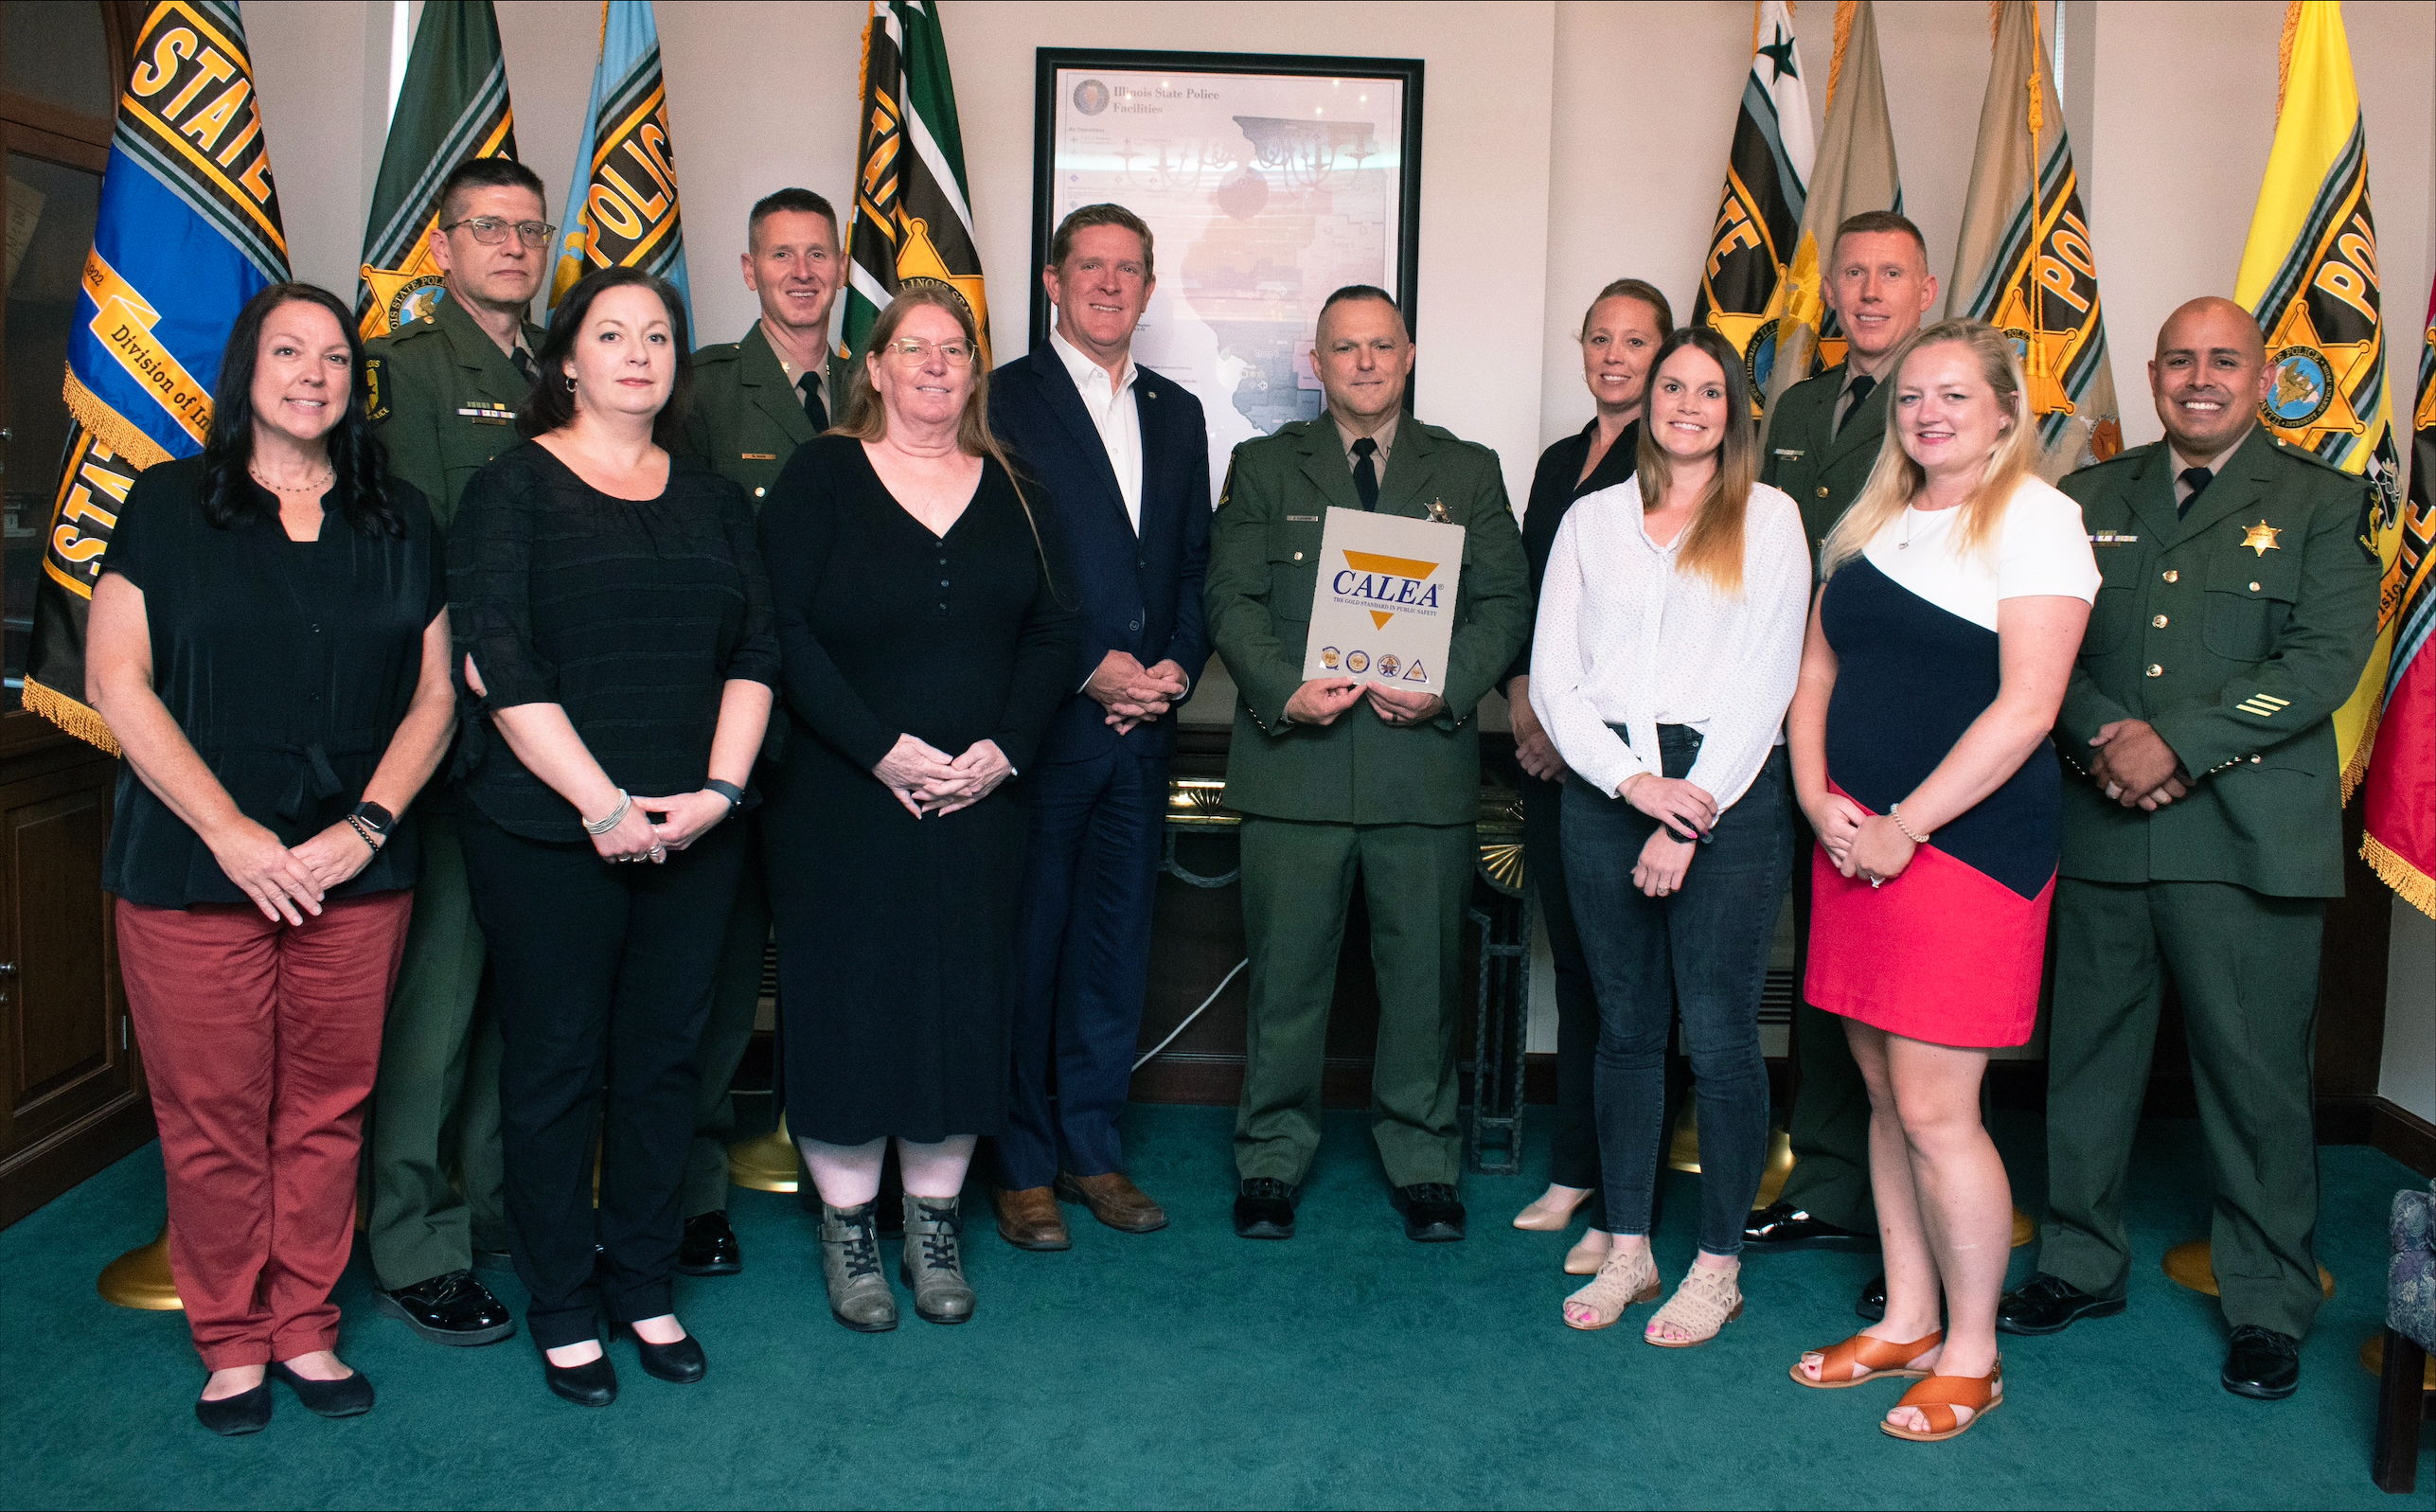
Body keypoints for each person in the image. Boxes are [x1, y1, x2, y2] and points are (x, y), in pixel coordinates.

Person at [86, 282, 456, 1432]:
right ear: (246, 369)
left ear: (356, 382)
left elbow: (436, 697)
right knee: (212, 1112)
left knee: (326, 1108)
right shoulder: (163, 505)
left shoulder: (399, 518)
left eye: (335, 358)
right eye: (288, 352)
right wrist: (233, 834)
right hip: (196, 867)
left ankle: (303, 1323)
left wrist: (366, 827)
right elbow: (116, 683)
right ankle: (232, 1337)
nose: (313, 373)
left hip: (355, 868)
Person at [2000, 297, 2381, 1402]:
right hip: (2106, 827)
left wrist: (2174, 740)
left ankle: (2266, 1301)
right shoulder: (2083, 497)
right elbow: (2038, 646)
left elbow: (2323, 661)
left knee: (2256, 1083)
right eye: (2178, 360)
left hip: (2246, 840)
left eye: (2223, 360)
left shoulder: (2324, 500)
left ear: (2261, 377)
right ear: (2154, 375)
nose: (2198, 377)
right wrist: (2100, 740)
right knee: (2084, 1065)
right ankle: (2076, 1261)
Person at [450, 267, 776, 1407]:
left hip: (696, 830)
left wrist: (719, 795)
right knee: (554, 1070)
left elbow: (757, 654)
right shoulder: (511, 490)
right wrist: (600, 806)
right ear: (568, 360)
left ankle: (642, 1285)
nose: (637, 351)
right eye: (611, 333)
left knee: (663, 1069)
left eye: (657, 335)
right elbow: (496, 658)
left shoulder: (716, 500)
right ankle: (562, 1306)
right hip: (548, 833)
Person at [1787, 320, 2097, 1442]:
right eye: (1911, 396)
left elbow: (2027, 707)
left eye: (1953, 396)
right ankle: (1908, 1317)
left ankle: (1973, 1350)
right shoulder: (1871, 521)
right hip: (1851, 846)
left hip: (1959, 853)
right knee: (1880, 1092)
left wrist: (1906, 826)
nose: (1925, 413)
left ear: (2004, 411)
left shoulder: (2036, 518)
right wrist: (1818, 796)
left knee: (1935, 1107)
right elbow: (1816, 670)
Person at [758, 288, 1079, 1331]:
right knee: (849, 999)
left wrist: (1004, 750)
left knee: (959, 1000)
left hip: (979, 804)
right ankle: (850, 1227)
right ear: (877, 366)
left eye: (955, 349)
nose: (936, 365)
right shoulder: (821, 477)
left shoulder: (1017, 488)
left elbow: (1051, 634)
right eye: (915, 348)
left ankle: (931, 1223)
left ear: (973, 371)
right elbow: (781, 629)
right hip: (844, 803)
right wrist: (878, 749)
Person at [1206, 285, 1531, 1243]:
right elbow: (1229, 600)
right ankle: (1268, 1160)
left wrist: (1450, 686)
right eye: (1343, 348)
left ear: (1409, 353)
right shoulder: (1263, 466)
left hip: (1415, 770)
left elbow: (1504, 601)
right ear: (1315, 364)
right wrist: (1281, 689)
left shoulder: (1464, 471)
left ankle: (1422, 1161)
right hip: (1293, 768)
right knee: (1286, 985)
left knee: (1423, 987)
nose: (1363, 362)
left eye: (1379, 346)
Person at [1530, 328, 1808, 1344]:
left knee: (1724, 1035)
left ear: (1734, 409)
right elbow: (1555, 677)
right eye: (1669, 386)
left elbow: (1766, 679)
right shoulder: (1590, 521)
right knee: (1625, 1032)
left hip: (1726, 797)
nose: (1685, 403)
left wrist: (1686, 810)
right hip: (1607, 789)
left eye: (1706, 389)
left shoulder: (1768, 518)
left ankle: (1717, 1265)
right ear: (1644, 401)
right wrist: (1632, 784)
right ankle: (1632, 1246)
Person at [985, 204, 1212, 1250]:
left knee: (1114, 952)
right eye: (1091, 268)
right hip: (1051, 729)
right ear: (1052, 280)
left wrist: (1174, 665)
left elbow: (1191, 565)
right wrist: (1090, 668)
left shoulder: (1177, 411)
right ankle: (1022, 1164)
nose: (1110, 285)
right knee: (1030, 946)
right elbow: (1005, 561)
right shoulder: (1006, 402)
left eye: (1129, 271)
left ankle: (1090, 1149)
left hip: (1146, 733)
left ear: (1150, 289)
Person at [361, 154, 554, 1347]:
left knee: (515, 1005)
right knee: (434, 1011)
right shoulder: (405, 373)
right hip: (455, 735)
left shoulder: (561, 371)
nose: (514, 248)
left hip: (556, 744)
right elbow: (419, 562)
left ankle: (490, 1214)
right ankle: (412, 1238)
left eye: (530, 230)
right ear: (441, 246)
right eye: (488, 228)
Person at [1745, 210, 1940, 1288]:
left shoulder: (1943, 407)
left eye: (1888, 275)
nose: (1866, 292)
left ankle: (1908, 1213)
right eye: (1850, 274)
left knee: (1896, 988)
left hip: (1886, 729)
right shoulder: (1800, 405)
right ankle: (1824, 1183)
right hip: (1783, 717)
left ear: (1925, 288)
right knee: (1820, 969)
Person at [671, 186, 847, 1278]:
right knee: (717, 974)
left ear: (839, 270)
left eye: (817, 256)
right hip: (730, 728)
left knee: (834, 963)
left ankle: (840, 1164)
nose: (800, 273)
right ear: (746, 270)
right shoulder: (698, 392)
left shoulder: (874, 385)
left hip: (848, 737)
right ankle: (695, 1193)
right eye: (779, 256)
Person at [1506, 277, 1673, 1277]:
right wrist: (1524, 703)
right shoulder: (1559, 461)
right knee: (1573, 968)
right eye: (1599, 338)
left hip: (1641, 770)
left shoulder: (1682, 465)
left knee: (1638, 983)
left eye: (1635, 340)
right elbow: (1533, 601)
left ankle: (1626, 1194)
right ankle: (1573, 1166)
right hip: (1546, 747)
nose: (1614, 356)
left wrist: (1585, 741)